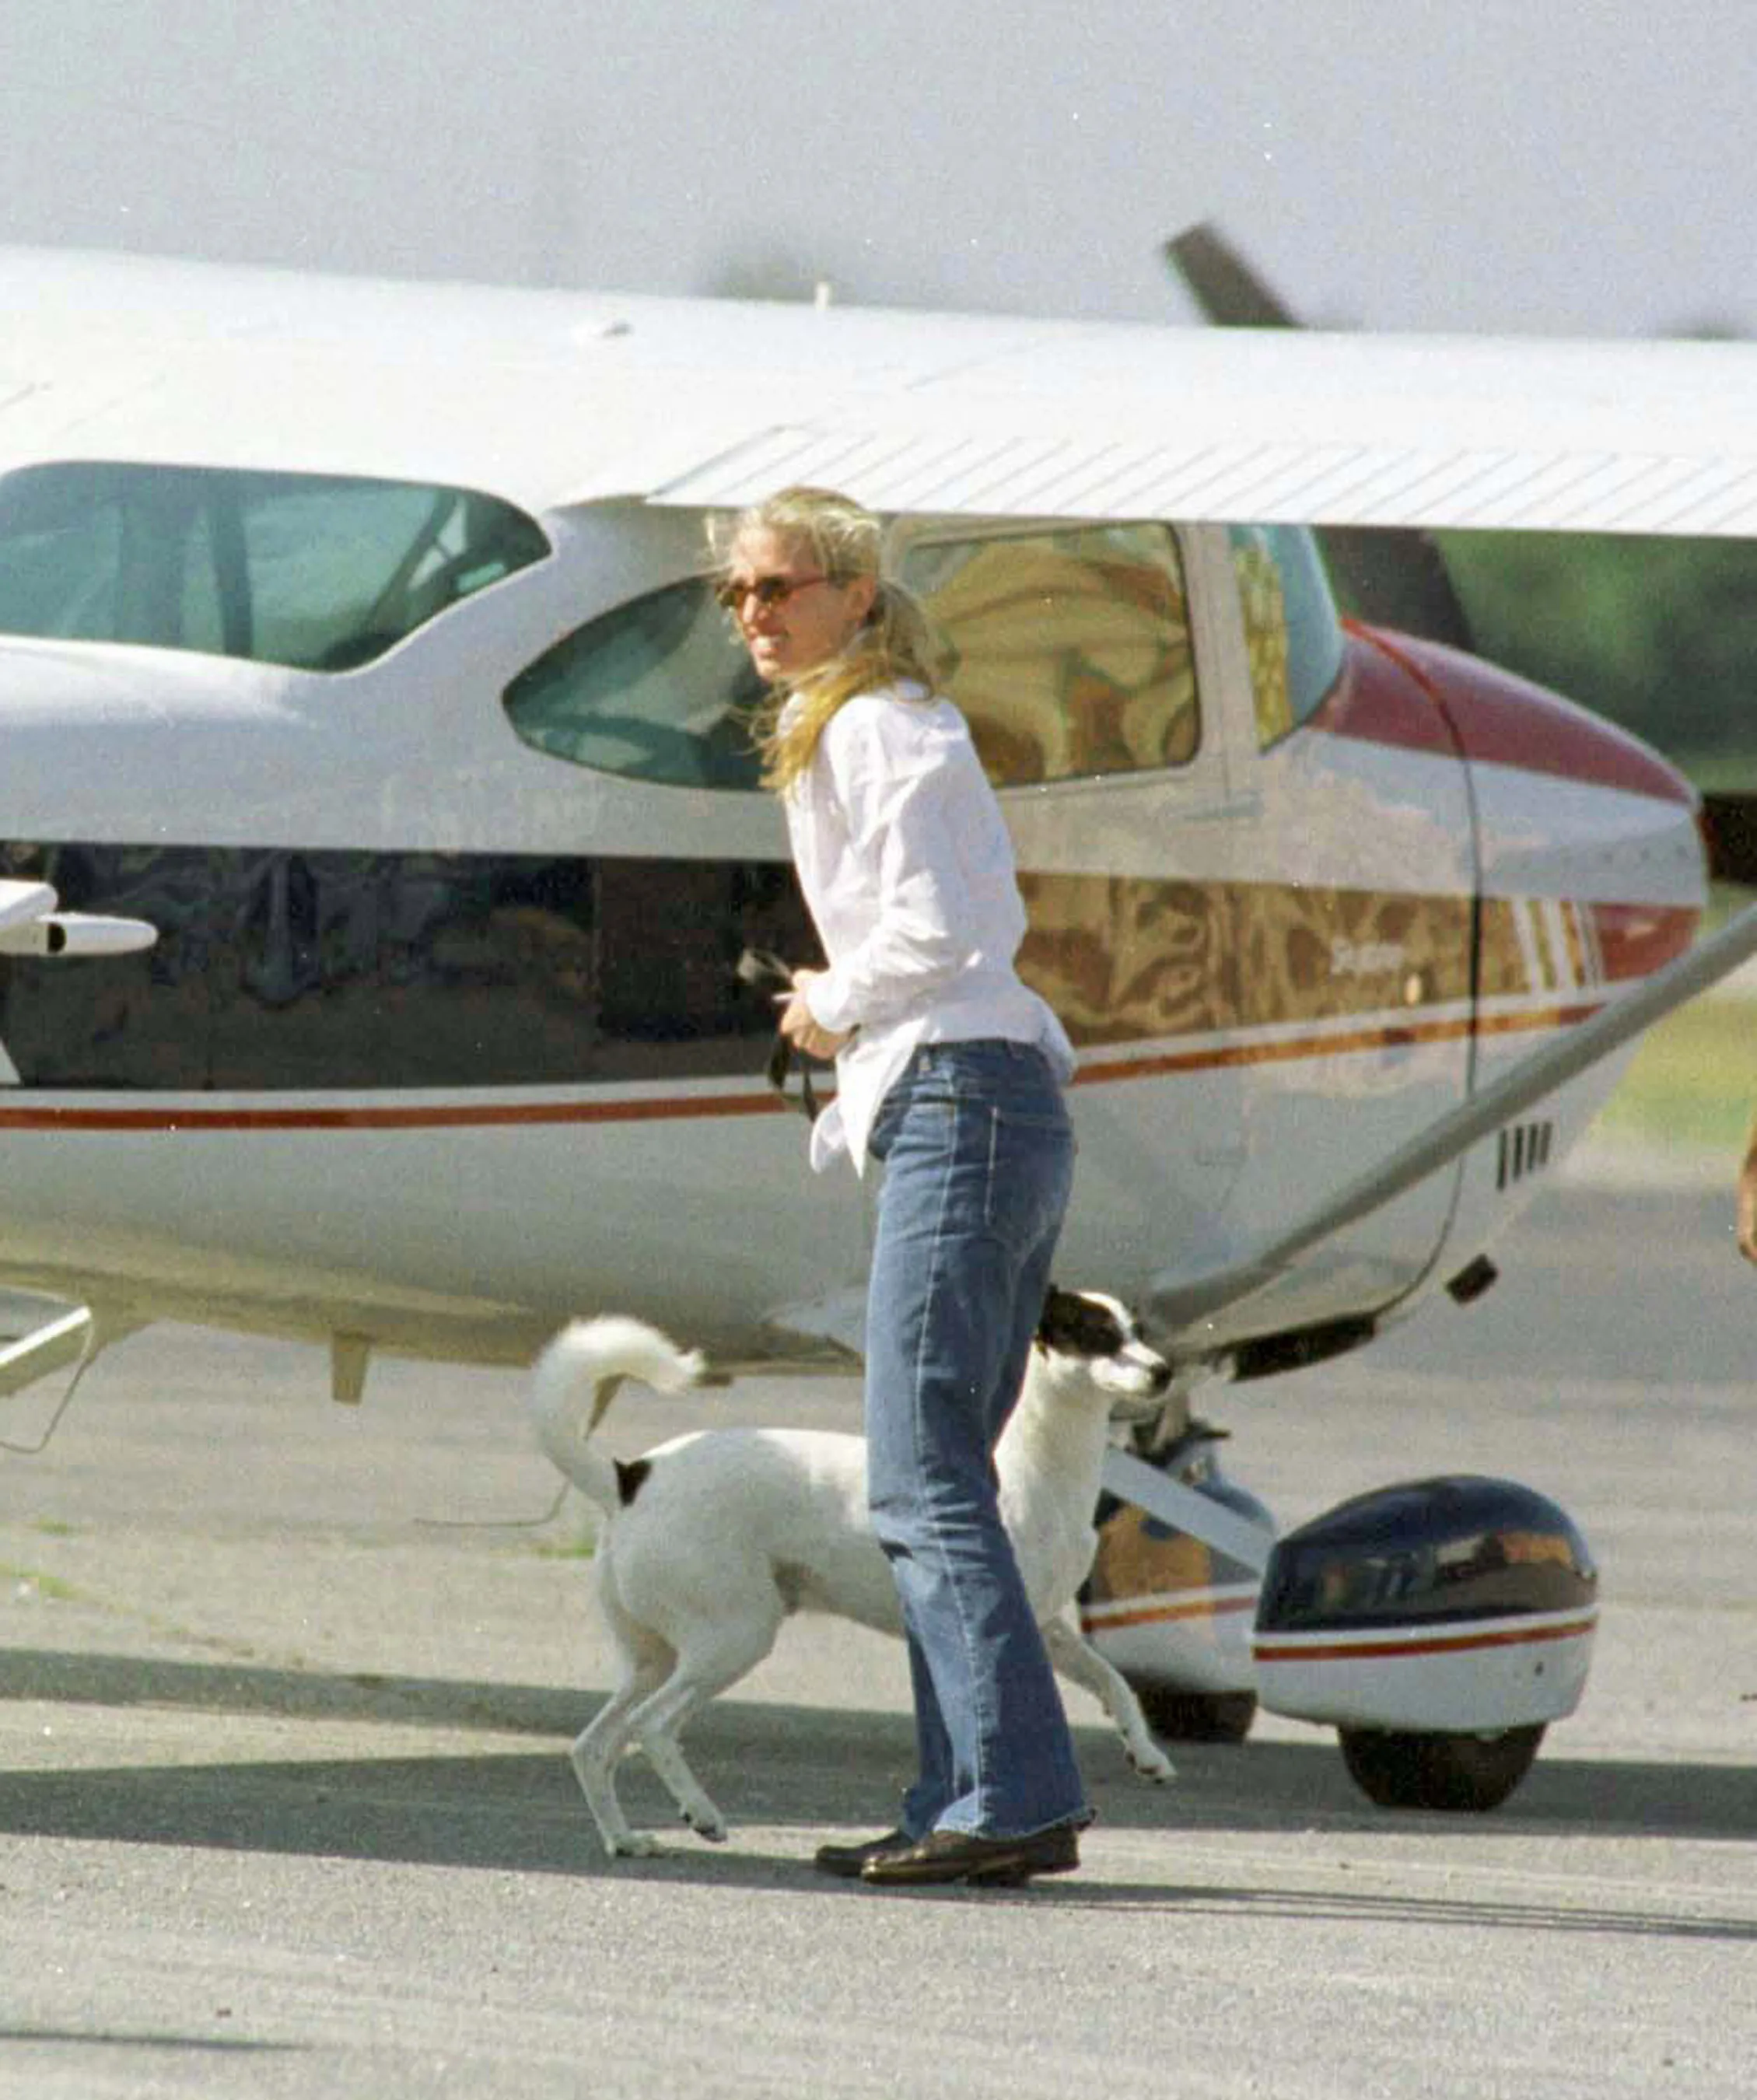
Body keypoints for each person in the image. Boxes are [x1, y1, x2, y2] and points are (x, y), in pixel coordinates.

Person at [716, 485, 1090, 1888]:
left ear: (857, 593)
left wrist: (832, 999)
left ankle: (1010, 1795)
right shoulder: (860, 726)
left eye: (783, 588)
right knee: (942, 1478)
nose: (755, 613)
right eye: (737, 594)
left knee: (920, 1476)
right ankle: (959, 1792)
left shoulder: (884, 726)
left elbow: (949, 928)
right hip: (981, 1103)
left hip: (962, 1100)